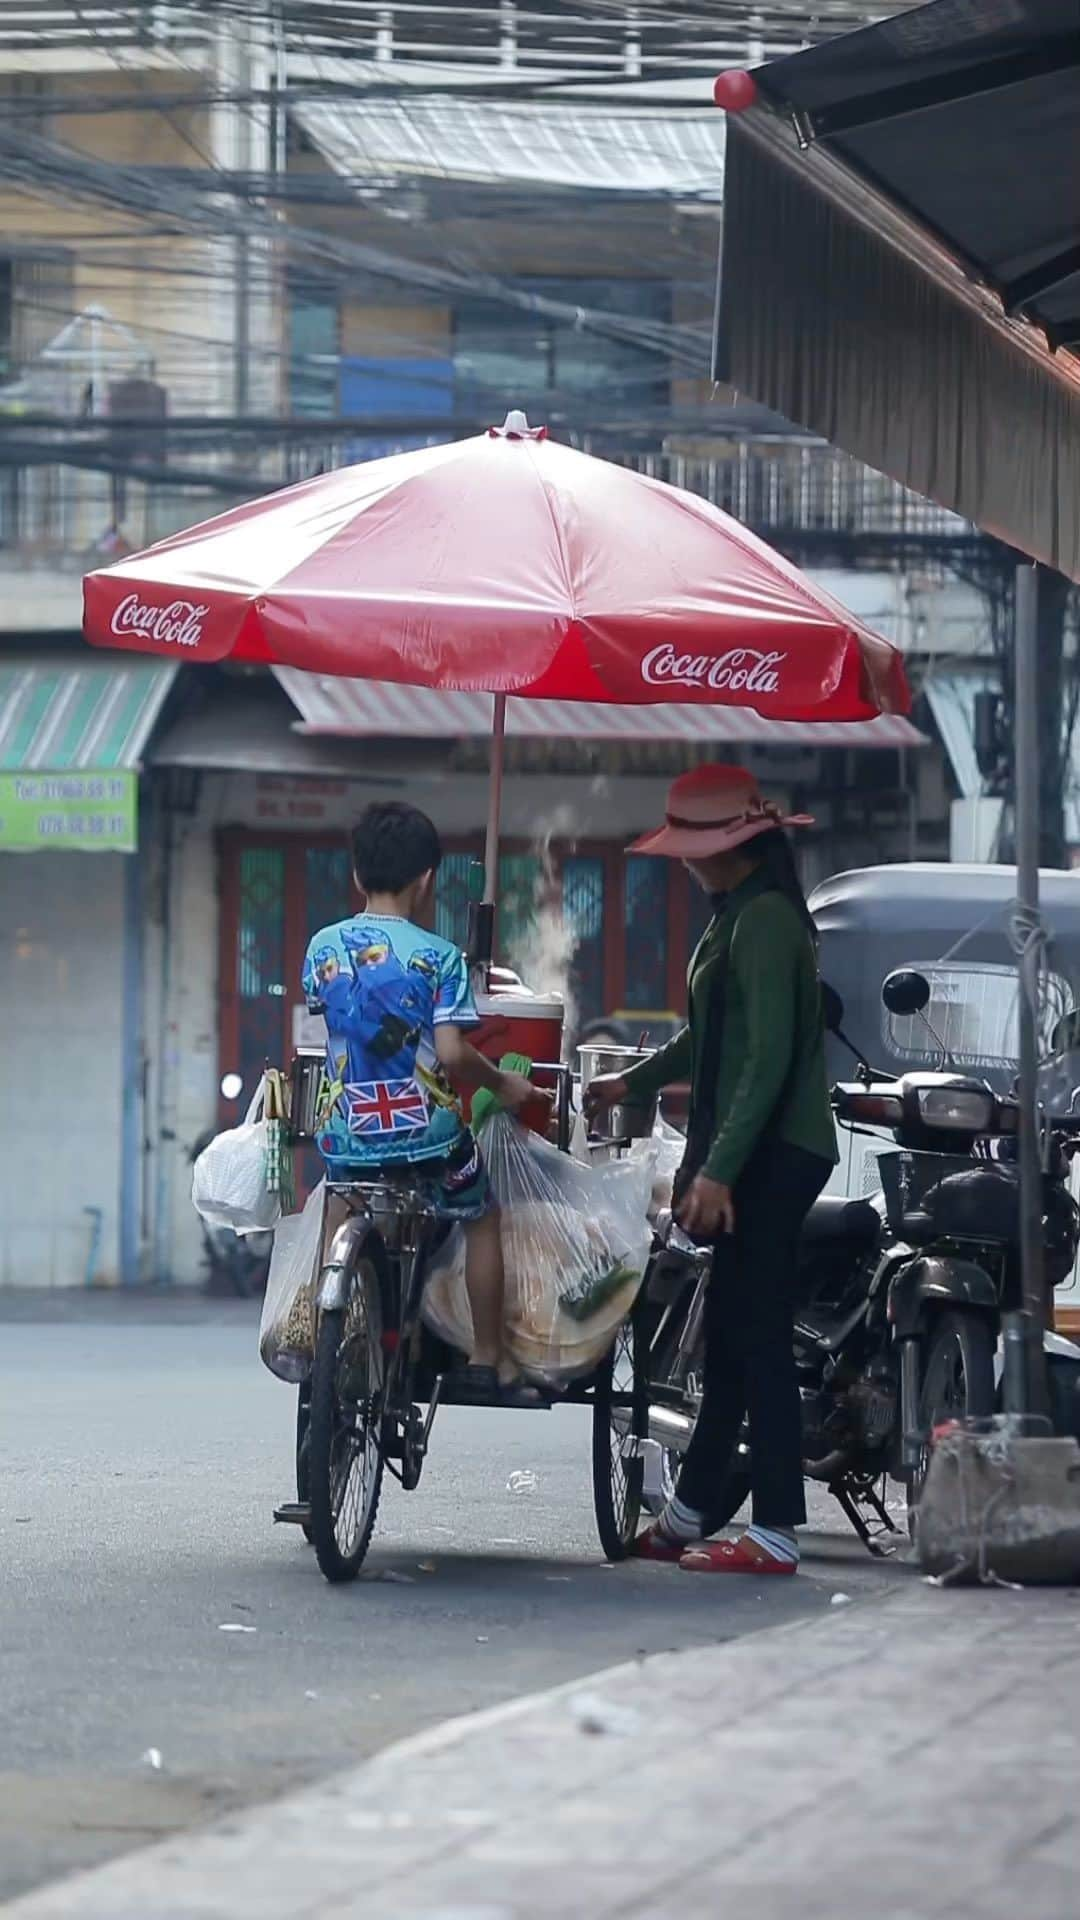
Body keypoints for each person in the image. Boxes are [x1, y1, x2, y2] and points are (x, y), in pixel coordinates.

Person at [585, 765, 837, 1575]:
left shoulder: (764, 922)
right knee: (728, 1333)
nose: (685, 862)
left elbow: (763, 1065)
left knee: (755, 1334)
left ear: (726, 847)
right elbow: (706, 1040)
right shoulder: (739, 916)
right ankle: (689, 1516)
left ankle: (775, 1532)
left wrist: (719, 1171)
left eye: (693, 847)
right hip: (756, 1147)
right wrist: (632, 1081)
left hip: (777, 1151)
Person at [304, 802, 543, 1401]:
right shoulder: (439, 958)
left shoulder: (322, 949)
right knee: (481, 1211)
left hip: (345, 1131)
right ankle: (489, 1354)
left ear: (357, 876)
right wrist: (504, 1083)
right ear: (428, 880)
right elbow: (454, 1055)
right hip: (429, 1140)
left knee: (342, 1201)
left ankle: (328, 1331)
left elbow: (341, 1028)